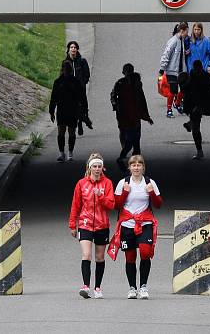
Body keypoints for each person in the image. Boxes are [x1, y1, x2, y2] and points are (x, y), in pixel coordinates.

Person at [108, 155, 162, 300]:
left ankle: (143, 286)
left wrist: (150, 192)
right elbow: (116, 205)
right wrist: (125, 192)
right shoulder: (123, 182)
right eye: (133, 165)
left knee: (145, 252)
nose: (136, 167)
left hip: (145, 223)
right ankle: (132, 288)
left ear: (143, 167)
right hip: (127, 224)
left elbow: (158, 204)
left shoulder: (150, 182)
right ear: (129, 167)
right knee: (130, 257)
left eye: (139, 165)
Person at [69, 153, 115, 299]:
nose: (97, 169)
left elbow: (111, 205)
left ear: (103, 168)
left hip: (102, 225)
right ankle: (86, 286)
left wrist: (100, 196)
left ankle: (98, 288)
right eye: (94, 166)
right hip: (85, 223)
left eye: (99, 166)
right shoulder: (81, 184)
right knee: (86, 255)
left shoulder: (107, 183)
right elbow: (75, 205)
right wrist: (72, 224)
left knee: (99, 257)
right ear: (89, 168)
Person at [110, 63, 154, 173]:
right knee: (132, 141)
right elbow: (113, 96)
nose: (128, 73)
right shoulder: (120, 83)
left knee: (135, 142)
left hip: (134, 116)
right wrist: (115, 106)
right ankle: (124, 160)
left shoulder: (137, 84)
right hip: (125, 116)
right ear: (124, 72)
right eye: (127, 71)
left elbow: (142, 99)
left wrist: (146, 115)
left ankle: (135, 166)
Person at [180, 60, 210, 160]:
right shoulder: (207, 78)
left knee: (196, 128)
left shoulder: (191, 77)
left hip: (194, 106)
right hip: (200, 105)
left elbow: (184, 90)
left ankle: (199, 150)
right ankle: (190, 125)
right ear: (201, 67)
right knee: (196, 127)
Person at [50, 60, 86, 162]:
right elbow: (53, 97)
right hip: (61, 109)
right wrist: (51, 110)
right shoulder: (58, 82)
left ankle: (70, 152)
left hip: (73, 109)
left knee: (71, 132)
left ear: (71, 70)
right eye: (65, 69)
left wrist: (83, 110)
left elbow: (82, 97)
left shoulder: (76, 82)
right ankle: (61, 153)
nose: (66, 71)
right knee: (61, 131)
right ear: (62, 70)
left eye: (68, 69)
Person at [158, 21, 189, 118]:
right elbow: (166, 54)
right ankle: (169, 110)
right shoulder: (173, 41)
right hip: (171, 71)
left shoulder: (182, 40)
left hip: (181, 70)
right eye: (186, 32)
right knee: (173, 90)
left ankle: (178, 103)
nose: (187, 34)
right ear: (181, 31)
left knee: (184, 89)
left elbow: (179, 55)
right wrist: (162, 69)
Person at [65, 41, 94, 136]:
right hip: (70, 90)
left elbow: (87, 74)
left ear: (77, 49)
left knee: (82, 106)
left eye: (75, 47)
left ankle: (82, 121)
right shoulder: (66, 62)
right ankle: (82, 121)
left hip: (80, 88)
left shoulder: (82, 61)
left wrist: (82, 83)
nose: (73, 49)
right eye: (71, 47)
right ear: (68, 49)